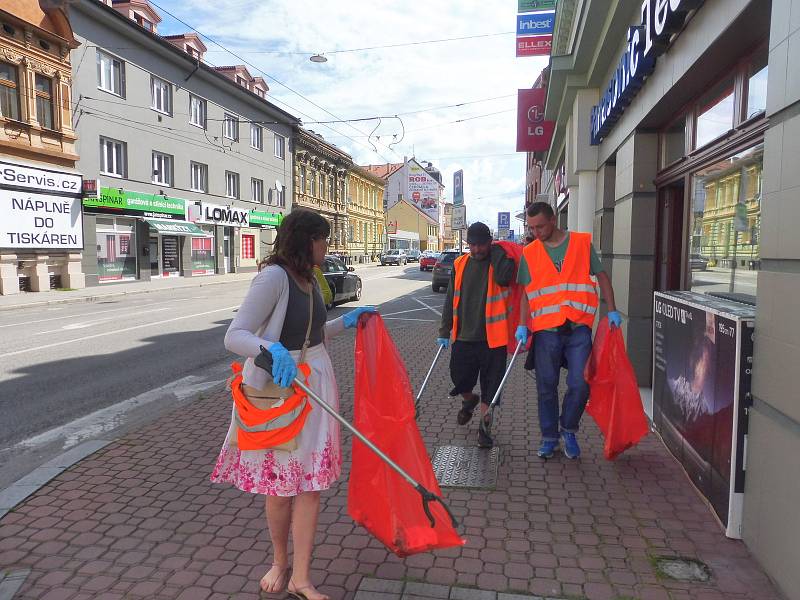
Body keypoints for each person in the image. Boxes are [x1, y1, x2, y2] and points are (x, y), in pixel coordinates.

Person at [211, 209, 376, 600]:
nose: (328, 246)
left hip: (316, 385)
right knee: (282, 485)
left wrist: (347, 322)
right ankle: (279, 561)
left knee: (310, 486)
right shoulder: (274, 278)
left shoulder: (310, 278)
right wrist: (271, 351)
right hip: (282, 392)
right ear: (307, 240)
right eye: (324, 239)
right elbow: (235, 336)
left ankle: (301, 578)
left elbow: (311, 335)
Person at [515, 202, 620, 459]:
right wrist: (521, 325)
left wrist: (612, 309)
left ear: (553, 220)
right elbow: (525, 293)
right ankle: (549, 437)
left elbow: (602, 276)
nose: (536, 232)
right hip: (546, 330)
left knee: (580, 383)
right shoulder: (530, 253)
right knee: (546, 386)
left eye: (540, 226)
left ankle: (568, 429)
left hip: (578, 327)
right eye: (531, 227)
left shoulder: (581, 244)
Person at [437, 222, 516, 448]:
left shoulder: (499, 262)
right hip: (464, 337)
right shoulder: (460, 263)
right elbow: (450, 299)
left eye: (481, 245)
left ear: (489, 242)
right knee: (459, 378)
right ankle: (469, 400)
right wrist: (444, 330)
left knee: (491, 387)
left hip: (494, 339)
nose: (476, 250)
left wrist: (499, 252)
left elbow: (508, 278)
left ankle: (484, 427)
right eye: (472, 245)